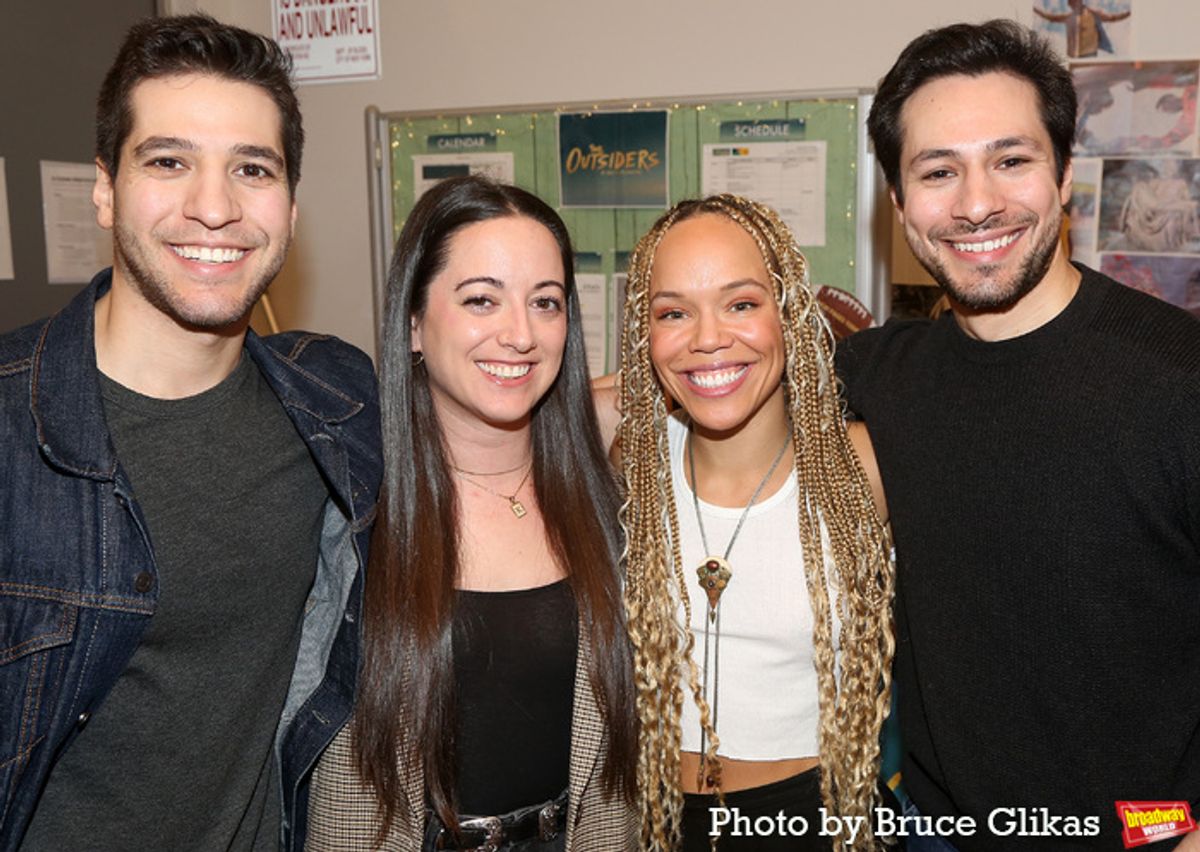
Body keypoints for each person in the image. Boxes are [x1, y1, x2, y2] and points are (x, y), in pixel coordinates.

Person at [0, 14, 380, 852]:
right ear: (104, 187)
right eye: (169, 162)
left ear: (289, 205)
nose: (214, 208)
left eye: (252, 168)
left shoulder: (336, 401)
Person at [837, 19, 1200, 851]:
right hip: (933, 828)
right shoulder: (875, 374)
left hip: (1142, 837)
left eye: (1011, 160)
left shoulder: (1181, 382)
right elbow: (711, 384)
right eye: (938, 171)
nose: (975, 204)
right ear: (898, 203)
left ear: (1065, 173)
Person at [304, 176, 637, 852]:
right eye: (481, 299)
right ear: (414, 323)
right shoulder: (349, 505)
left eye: (546, 303)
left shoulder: (608, 494)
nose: (520, 334)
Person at [613, 194, 894, 851]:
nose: (708, 338)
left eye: (741, 303)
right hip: (655, 821)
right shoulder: (633, 462)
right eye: (673, 312)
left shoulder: (862, 469)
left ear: (789, 313)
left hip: (814, 820)